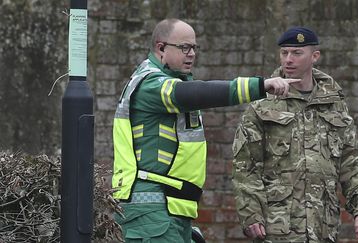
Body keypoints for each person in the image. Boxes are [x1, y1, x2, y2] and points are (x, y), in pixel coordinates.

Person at [111, 18, 299, 243]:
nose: (191, 54)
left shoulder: (168, 82)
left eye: (194, 48)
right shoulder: (151, 84)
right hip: (153, 211)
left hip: (170, 210)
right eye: (184, 47)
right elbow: (195, 93)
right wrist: (260, 85)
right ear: (161, 48)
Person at [231, 27, 358, 243]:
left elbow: (351, 162)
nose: (288, 59)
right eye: (284, 53)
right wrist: (251, 213)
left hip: (324, 225)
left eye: (296, 53)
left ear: (314, 56)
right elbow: (245, 166)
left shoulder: (334, 104)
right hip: (278, 226)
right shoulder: (263, 105)